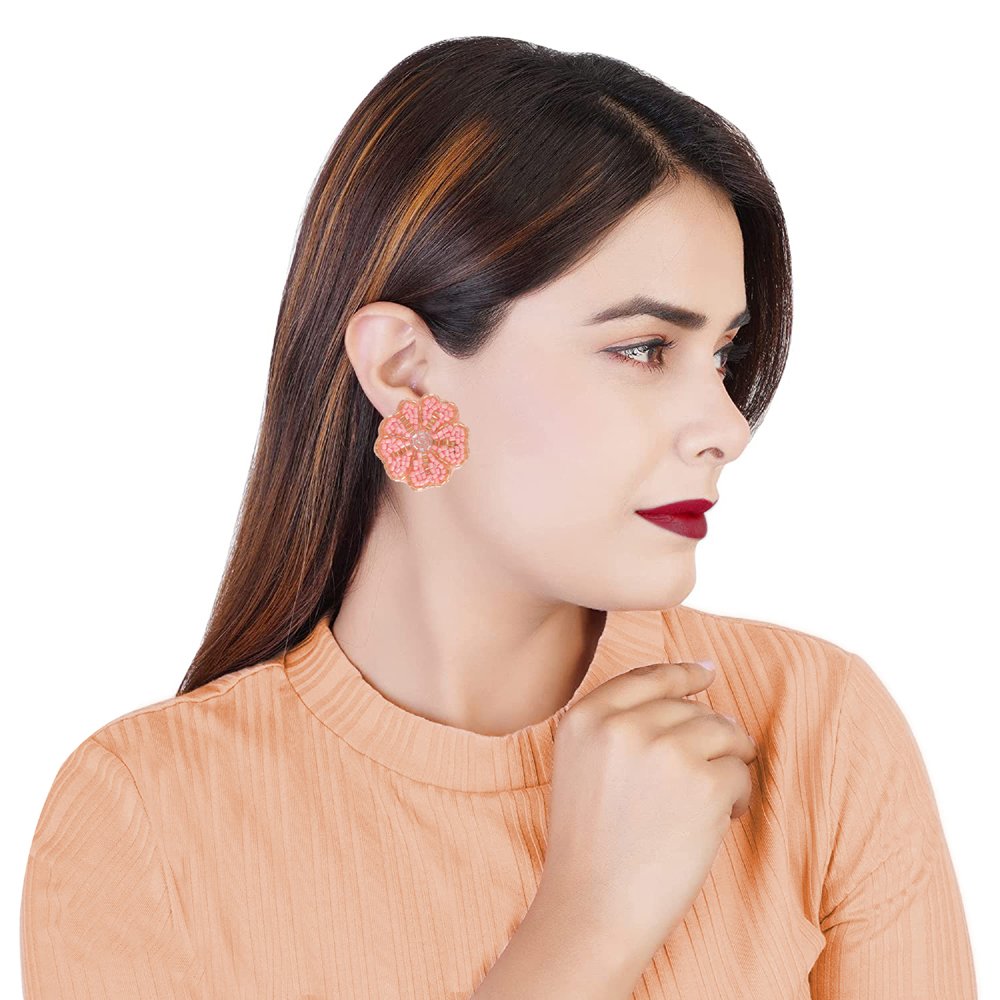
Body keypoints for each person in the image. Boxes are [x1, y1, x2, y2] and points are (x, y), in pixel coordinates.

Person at [20, 35, 977, 999]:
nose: (728, 428)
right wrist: (590, 923)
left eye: (724, 355)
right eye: (644, 348)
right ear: (406, 370)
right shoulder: (145, 817)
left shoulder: (814, 727)